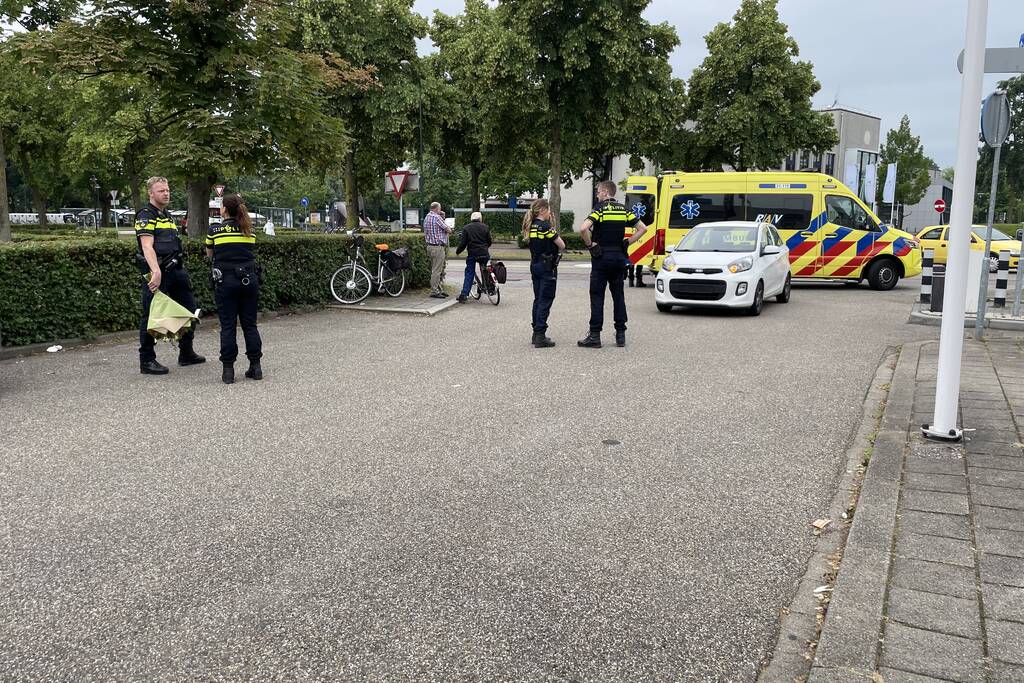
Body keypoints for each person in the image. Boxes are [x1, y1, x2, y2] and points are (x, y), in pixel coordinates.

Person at [135, 176, 205, 375]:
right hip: (159, 272)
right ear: (150, 193)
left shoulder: (166, 215)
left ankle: (186, 353)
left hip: (176, 270)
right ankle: (147, 360)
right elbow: (146, 246)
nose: (166, 193)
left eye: (167, 190)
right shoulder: (146, 214)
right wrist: (155, 272)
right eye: (160, 191)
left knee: (189, 309)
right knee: (150, 315)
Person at [578, 180, 648, 348]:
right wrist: (627, 242)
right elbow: (643, 228)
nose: (597, 195)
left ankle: (595, 336)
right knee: (618, 295)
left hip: (601, 258)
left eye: (598, 192)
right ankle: (620, 334)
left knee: (597, 296)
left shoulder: (600, 209)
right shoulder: (624, 210)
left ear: (604, 192)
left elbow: (583, 229)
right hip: (618, 257)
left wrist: (590, 245)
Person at [205, 194, 263, 384]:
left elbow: (209, 253)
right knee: (250, 325)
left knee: (228, 326)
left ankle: (228, 371)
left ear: (224, 209)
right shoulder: (249, 231)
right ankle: (255, 367)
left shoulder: (215, 230)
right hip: (249, 281)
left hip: (225, 282)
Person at [523, 199, 565, 348]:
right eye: (548, 210)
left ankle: (536, 332)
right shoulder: (546, 226)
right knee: (546, 299)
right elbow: (561, 244)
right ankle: (541, 334)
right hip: (547, 266)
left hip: (535, 265)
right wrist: (552, 226)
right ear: (542, 210)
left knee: (538, 298)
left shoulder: (532, 226)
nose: (549, 213)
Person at [455, 211, 493, 303]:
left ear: (471, 219)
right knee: (485, 269)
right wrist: (485, 247)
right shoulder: (485, 227)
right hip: (484, 253)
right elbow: (489, 241)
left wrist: (458, 251)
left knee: (469, 272)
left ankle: (464, 295)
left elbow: (463, 243)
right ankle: (490, 288)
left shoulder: (467, 228)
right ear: (480, 219)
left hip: (472, 254)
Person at [423, 202, 452, 299]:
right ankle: (435, 291)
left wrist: (442, 217)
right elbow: (448, 230)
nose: (440, 211)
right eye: (439, 209)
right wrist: (443, 217)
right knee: (437, 270)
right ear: (436, 209)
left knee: (435, 269)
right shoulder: (437, 217)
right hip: (437, 247)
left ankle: (439, 289)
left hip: (430, 247)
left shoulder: (427, 217)